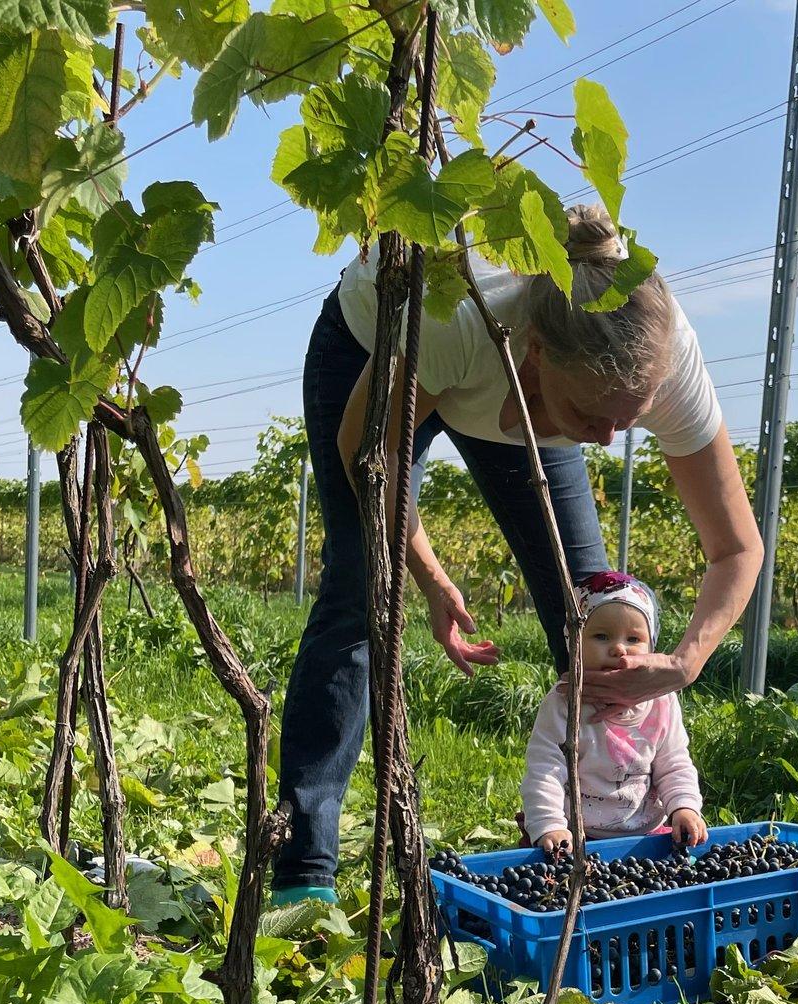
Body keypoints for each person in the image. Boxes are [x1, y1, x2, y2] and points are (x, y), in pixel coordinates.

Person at [272, 205, 761, 903]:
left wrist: (683, 663)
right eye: (593, 417)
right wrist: (432, 578)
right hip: (372, 343)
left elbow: (738, 548)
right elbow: (367, 456)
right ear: (536, 355)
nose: (606, 440)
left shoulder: (667, 356)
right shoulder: (458, 316)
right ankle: (304, 871)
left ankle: (597, 846)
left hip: (508, 380)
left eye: (631, 418)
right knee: (361, 590)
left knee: (589, 611)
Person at [521, 571, 708, 855]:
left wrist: (683, 807)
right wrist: (550, 824)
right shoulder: (564, 703)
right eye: (601, 636)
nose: (618, 647)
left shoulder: (661, 702)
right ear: (574, 643)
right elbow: (545, 769)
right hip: (574, 836)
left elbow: (674, 763)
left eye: (634, 638)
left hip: (645, 836)